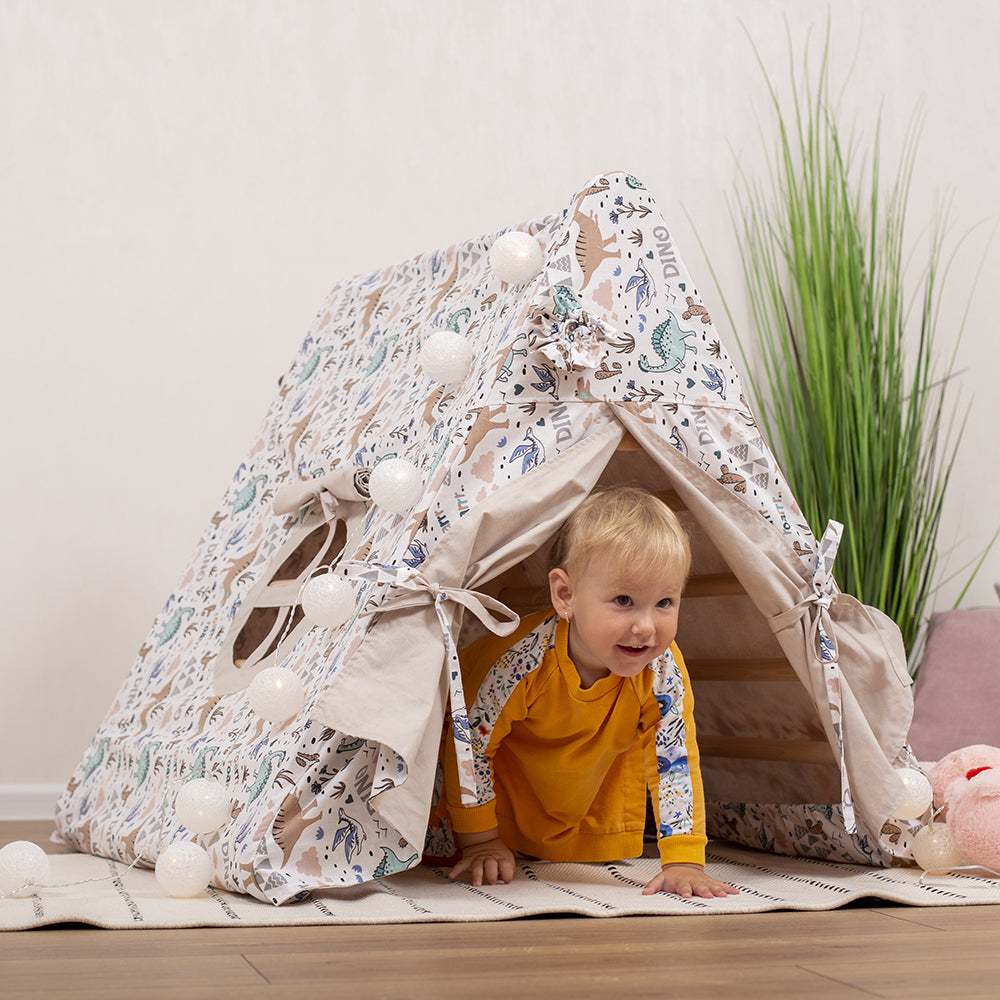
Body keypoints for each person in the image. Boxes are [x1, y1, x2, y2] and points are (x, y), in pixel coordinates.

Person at [441, 486, 739, 899]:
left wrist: (684, 860)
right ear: (566, 596)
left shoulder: (662, 668)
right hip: (498, 805)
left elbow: (674, 761)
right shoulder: (520, 661)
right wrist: (481, 840)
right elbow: (468, 744)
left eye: (665, 602)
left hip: (584, 803)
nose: (647, 627)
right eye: (624, 600)